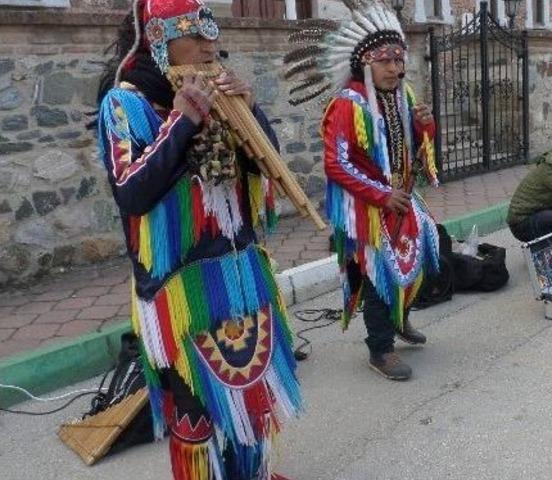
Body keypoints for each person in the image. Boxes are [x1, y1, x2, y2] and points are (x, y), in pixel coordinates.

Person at [95, 0, 301, 478]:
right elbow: (131, 191)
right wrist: (182, 121)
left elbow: (265, 166)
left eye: (214, 33)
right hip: (179, 285)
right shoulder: (125, 103)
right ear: (159, 38)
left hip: (240, 268)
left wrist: (249, 110)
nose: (212, 46)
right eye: (197, 34)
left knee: (252, 396)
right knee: (197, 408)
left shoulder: (221, 90)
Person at [283, 1, 440, 381]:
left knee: (428, 254)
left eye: (398, 60)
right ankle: (380, 350)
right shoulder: (346, 105)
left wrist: (426, 126)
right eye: (384, 61)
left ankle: (399, 319)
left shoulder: (403, 97)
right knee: (377, 277)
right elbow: (336, 164)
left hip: (399, 200)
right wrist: (381, 195)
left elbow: (413, 148)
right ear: (364, 62)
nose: (395, 68)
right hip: (365, 210)